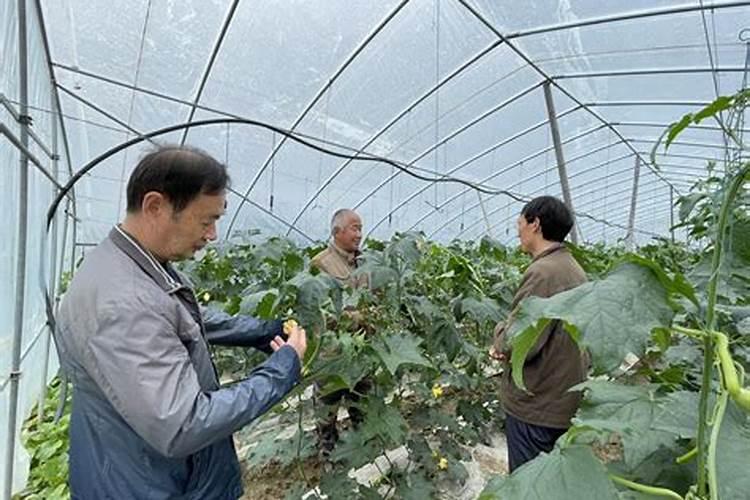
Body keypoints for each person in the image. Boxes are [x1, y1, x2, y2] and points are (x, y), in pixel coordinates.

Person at [56, 145, 307, 499]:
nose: (212, 235)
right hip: (152, 486)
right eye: (207, 221)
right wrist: (282, 369)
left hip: (134, 468)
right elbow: (184, 424)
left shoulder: (127, 265)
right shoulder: (125, 303)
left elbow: (181, 317)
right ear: (155, 206)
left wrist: (262, 331)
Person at [490, 195, 588, 472]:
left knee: (527, 483)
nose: (517, 230)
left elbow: (519, 340)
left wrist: (499, 334)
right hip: (561, 397)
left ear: (535, 224)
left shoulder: (543, 273)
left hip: (537, 404)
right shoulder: (571, 267)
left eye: (519, 223)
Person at [310, 208, 371, 457]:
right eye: (354, 228)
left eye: (360, 228)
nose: (359, 234)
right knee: (327, 410)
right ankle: (329, 454)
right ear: (337, 231)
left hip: (362, 351)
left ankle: (364, 451)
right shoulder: (320, 263)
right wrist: (357, 317)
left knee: (363, 405)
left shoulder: (365, 262)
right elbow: (319, 310)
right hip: (332, 355)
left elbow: (371, 298)